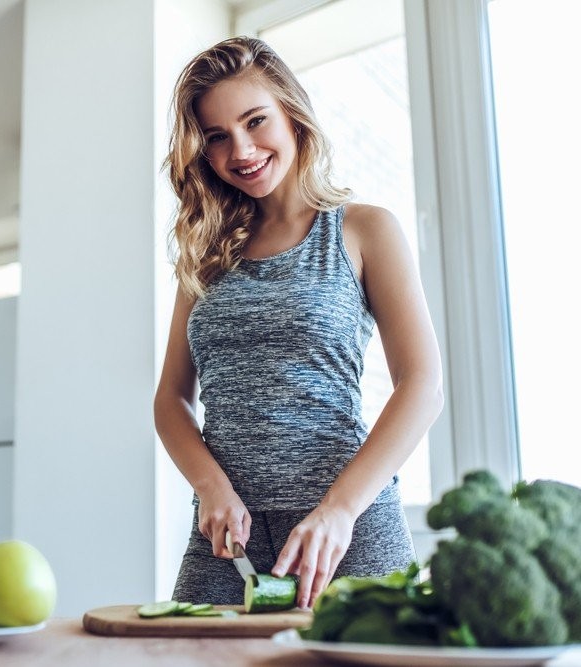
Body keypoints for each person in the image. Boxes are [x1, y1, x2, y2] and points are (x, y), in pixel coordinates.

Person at [154, 36, 444, 610]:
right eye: (216, 136)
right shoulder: (203, 254)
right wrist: (210, 488)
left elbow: (422, 385)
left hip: (347, 532)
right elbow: (170, 400)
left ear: (292, 113)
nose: (241, 149)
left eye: (255, 121)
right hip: (226, 541)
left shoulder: (363, 230)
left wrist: (339, 511)